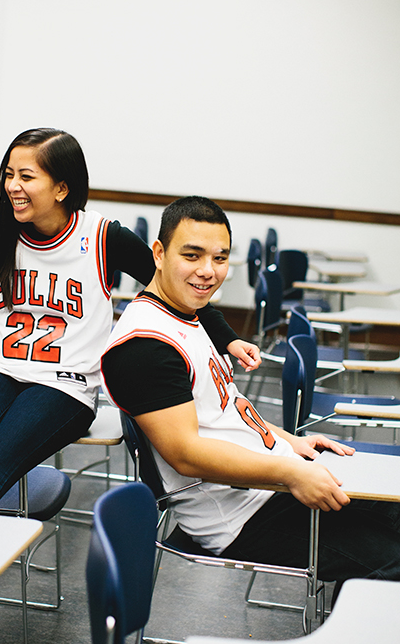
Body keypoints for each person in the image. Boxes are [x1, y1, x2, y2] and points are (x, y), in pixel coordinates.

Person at [0, 128, 258, 518]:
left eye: (27, 176)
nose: (13, 185)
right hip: (6, 369)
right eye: (9, 175)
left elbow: (173, 284)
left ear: (62, 187)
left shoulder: (100, 237)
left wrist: (226, 339)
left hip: (68, 386)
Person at [103, 196, 400, 584]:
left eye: (220, 258)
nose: (208, 271)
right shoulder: (146, 346)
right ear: (158, 253)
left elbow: (223, 412)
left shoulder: (187, 316)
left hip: (267, 481)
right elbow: (186, 455)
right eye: (191, 256)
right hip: (239, 517)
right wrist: (290, 472)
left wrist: (287, 440)